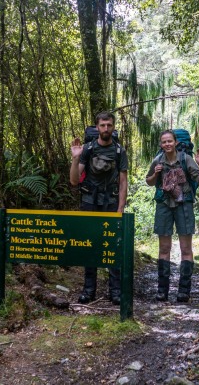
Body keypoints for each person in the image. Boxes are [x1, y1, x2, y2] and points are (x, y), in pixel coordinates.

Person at [69, 112, 128, 305]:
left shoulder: (119, 151)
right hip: (89, 201)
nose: (106, 129)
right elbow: (74, 181)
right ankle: (88, 290)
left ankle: (116, 291)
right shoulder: (87, 149)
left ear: (113, 127)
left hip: (110, 202)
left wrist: (120, 208)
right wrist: (76, 158)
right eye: (102, 125)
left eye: (109, 125)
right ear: (97, 127)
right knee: (89, 244)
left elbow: (123, 182)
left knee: (113, 245)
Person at [145, 130, 199, 303]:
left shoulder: (186, 159)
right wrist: (156, 174)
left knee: (186, 249)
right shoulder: (157, 160)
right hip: (164, 205)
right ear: (160, 144)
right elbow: (149, 182)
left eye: (170, 141)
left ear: (176, 142)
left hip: (184, 205)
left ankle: (183, 291)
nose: (167, 144)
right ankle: (162, 291)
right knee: (164, 249)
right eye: (164, 142)